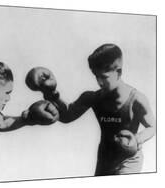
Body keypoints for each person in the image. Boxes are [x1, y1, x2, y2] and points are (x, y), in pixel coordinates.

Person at [25, 44, 156, 175]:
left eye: (104, 77)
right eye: (96, 76)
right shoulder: (92, 97)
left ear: (119, 72)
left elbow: (153, 127)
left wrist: (138, 139)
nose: (99, 82)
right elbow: (67, 116)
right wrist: (50, 92)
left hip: (129, 161)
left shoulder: (137, 99)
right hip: (105, 158)